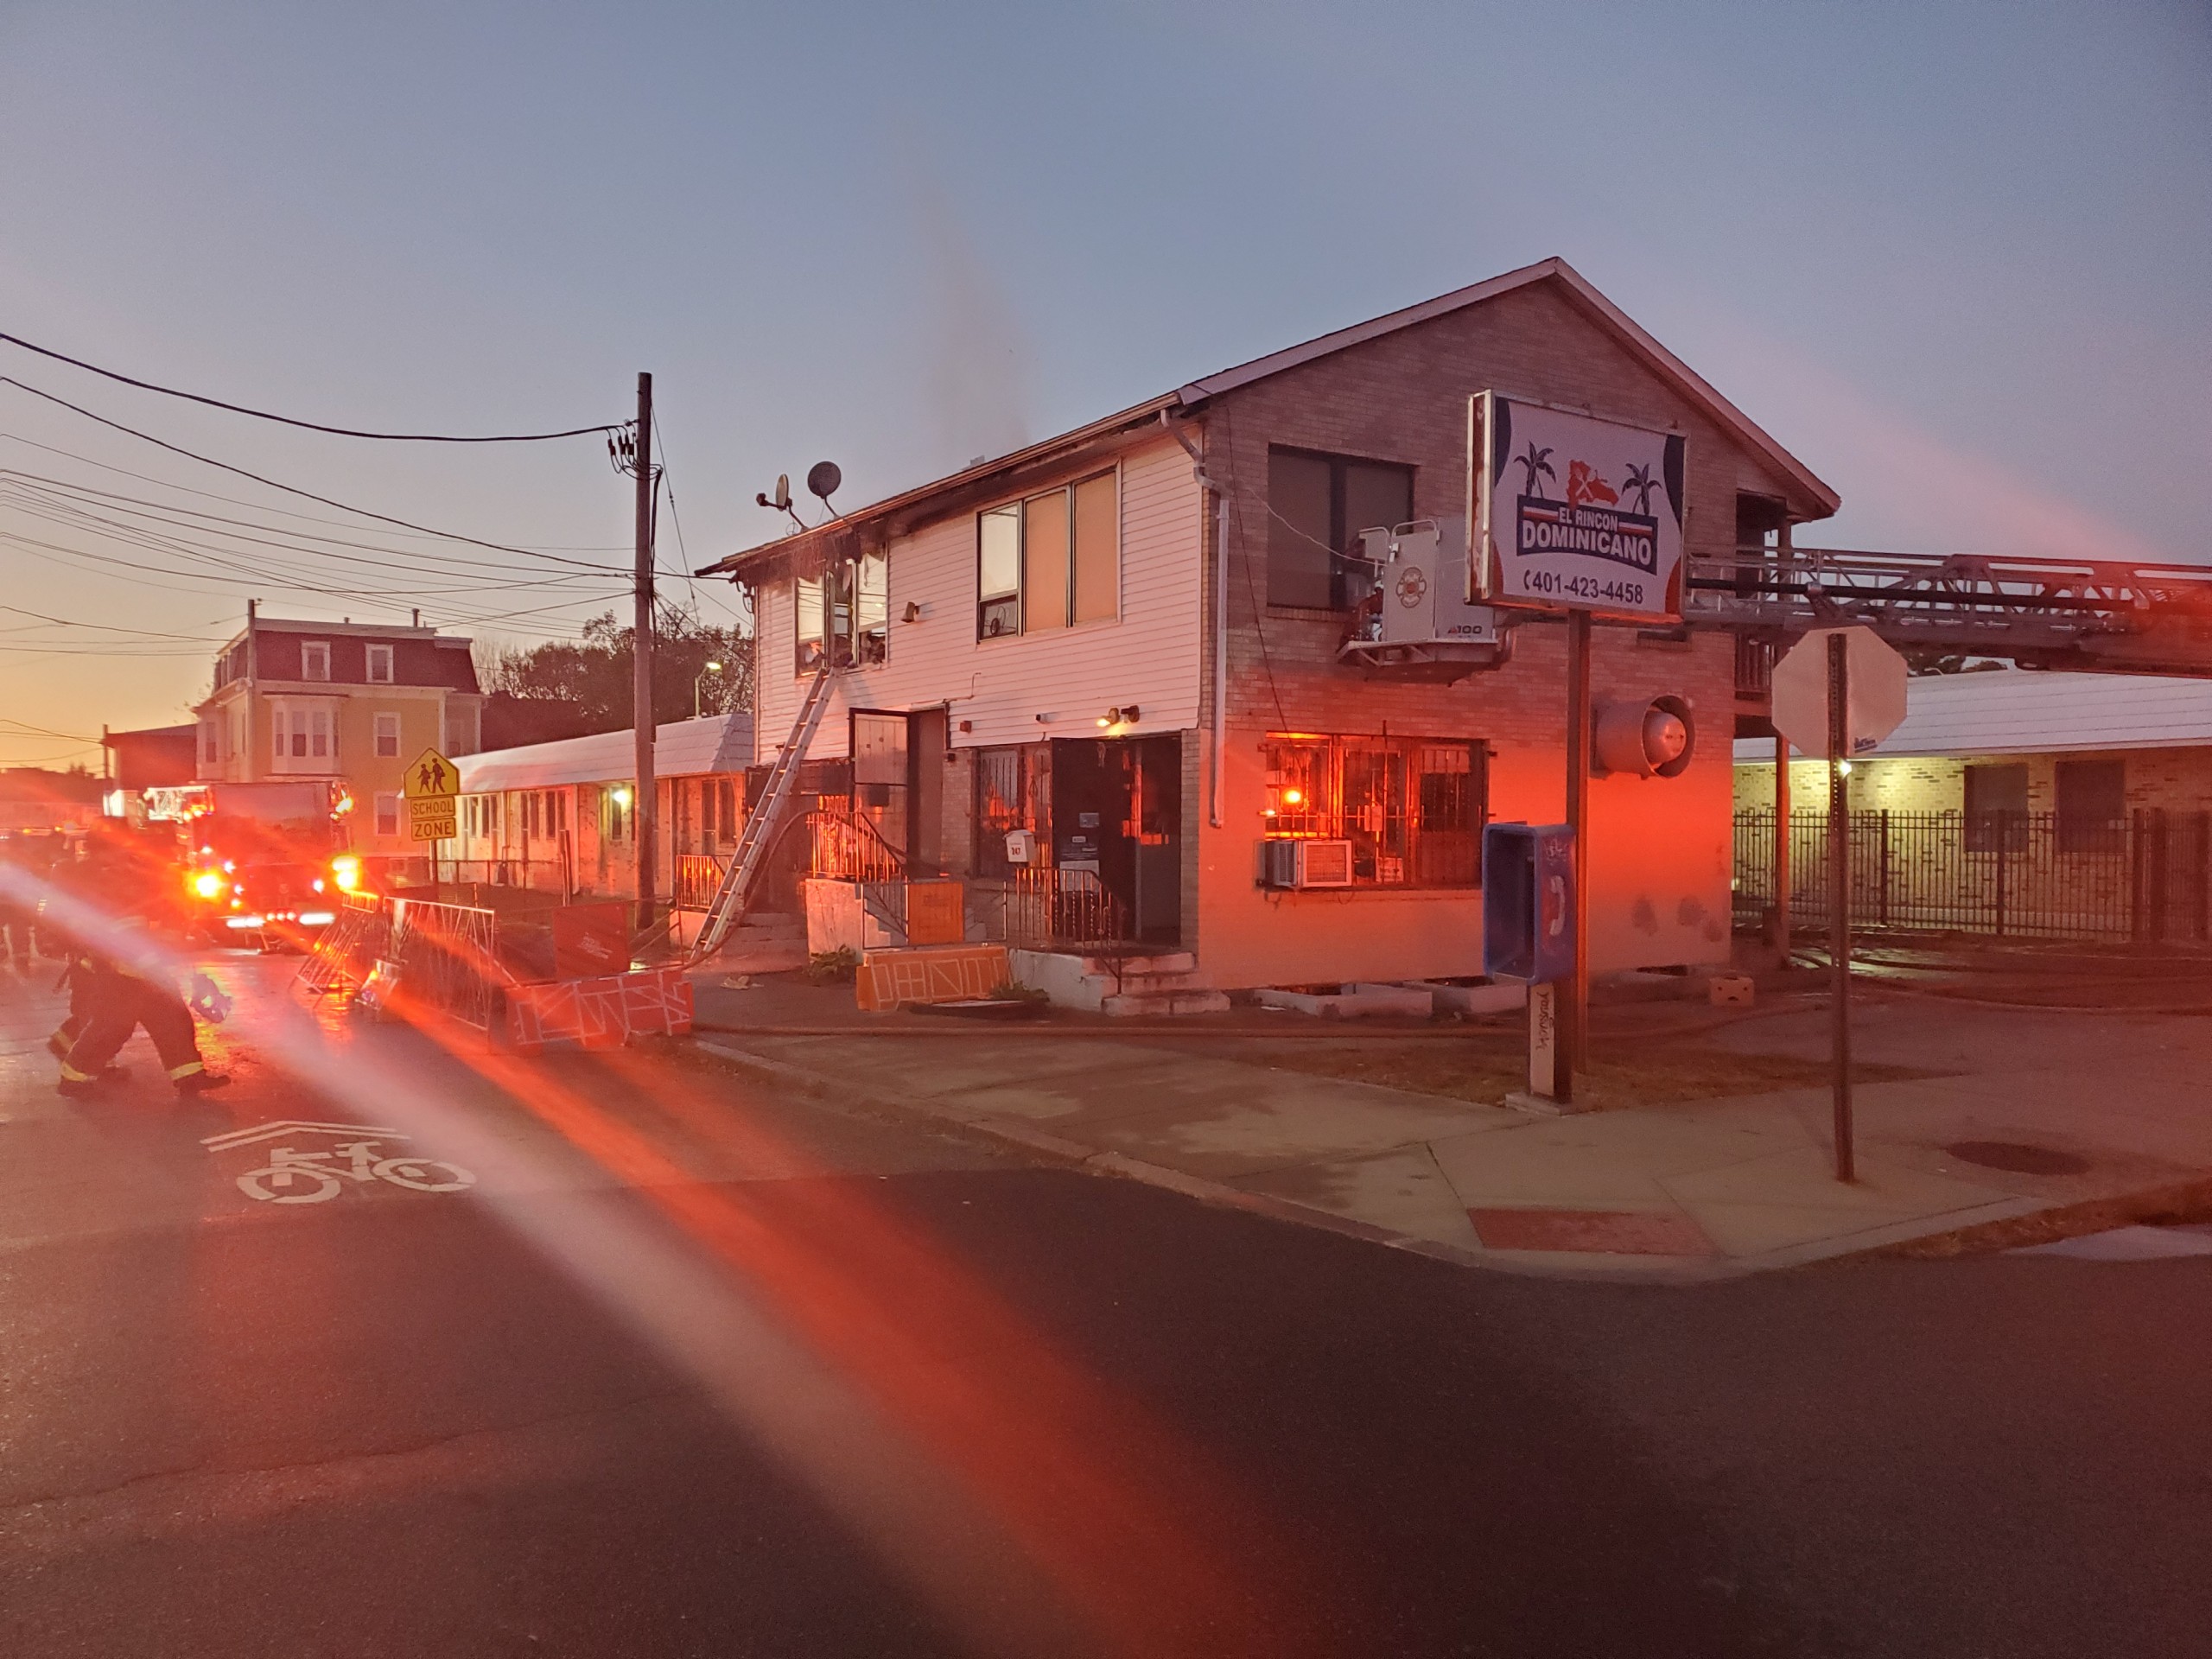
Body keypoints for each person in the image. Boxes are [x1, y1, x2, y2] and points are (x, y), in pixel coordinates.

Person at [49, 828, 229, 1098]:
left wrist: (177, 937)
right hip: (119, 967)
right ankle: (73, 1080)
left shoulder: (128, 872)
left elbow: (160, 910)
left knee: (171, 1018)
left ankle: (189, 1076)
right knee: (112, 1026)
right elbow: (117, 922)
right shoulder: (102, 876)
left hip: (142, 963)